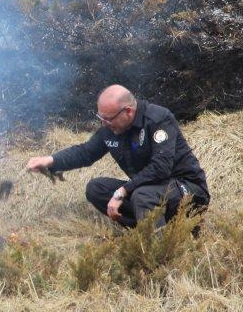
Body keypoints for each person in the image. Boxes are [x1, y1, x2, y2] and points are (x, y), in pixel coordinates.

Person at [26, 85, 209, 228]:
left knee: (142, 196)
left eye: (108, 118)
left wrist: (123, 190)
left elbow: (161, 167)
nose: (103, 123)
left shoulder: (158, 119)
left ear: (128, 111)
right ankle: (148, 228)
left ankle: (158, 251)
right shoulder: (111, 129)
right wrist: (50, 161)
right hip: (151, 191)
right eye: (101, 117)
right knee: (96, 188)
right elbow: (85, 152)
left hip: (187, 189)